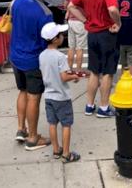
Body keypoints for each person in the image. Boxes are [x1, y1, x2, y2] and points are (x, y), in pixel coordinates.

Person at [10, 0, 58, 150]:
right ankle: (32, 138)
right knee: (34, 97)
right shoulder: (45, 13)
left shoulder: (18, 2)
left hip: (16, 56)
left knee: (22, 91)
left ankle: (21, 129)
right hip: (33, 60)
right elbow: (48, 42)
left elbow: (15, 24)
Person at [68, 0, 121, 118]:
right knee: (108, 72)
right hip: (107, 34)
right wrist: (118, 22)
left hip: (92, 35)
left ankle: (89, 105)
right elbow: (112, 9)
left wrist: (85, 21)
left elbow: (71, 6)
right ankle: (104, 108)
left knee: (94, 71)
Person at [39, 22, 81, 163]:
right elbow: (64, 77)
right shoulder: (60, 57)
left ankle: (56, 150)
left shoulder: (42, 56)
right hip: (62, 97)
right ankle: (67, 154)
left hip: (49, 96)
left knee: (52, 123)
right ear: (55, 39)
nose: (63, 36)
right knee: (66, 124)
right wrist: (75, 76)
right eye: (61, 34)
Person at [66, 0, 89, 76]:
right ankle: (79, 70)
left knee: (71, 47)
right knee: (80, 47)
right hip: (80, 20)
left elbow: (66, 4)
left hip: (70, 20)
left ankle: (69, 69)